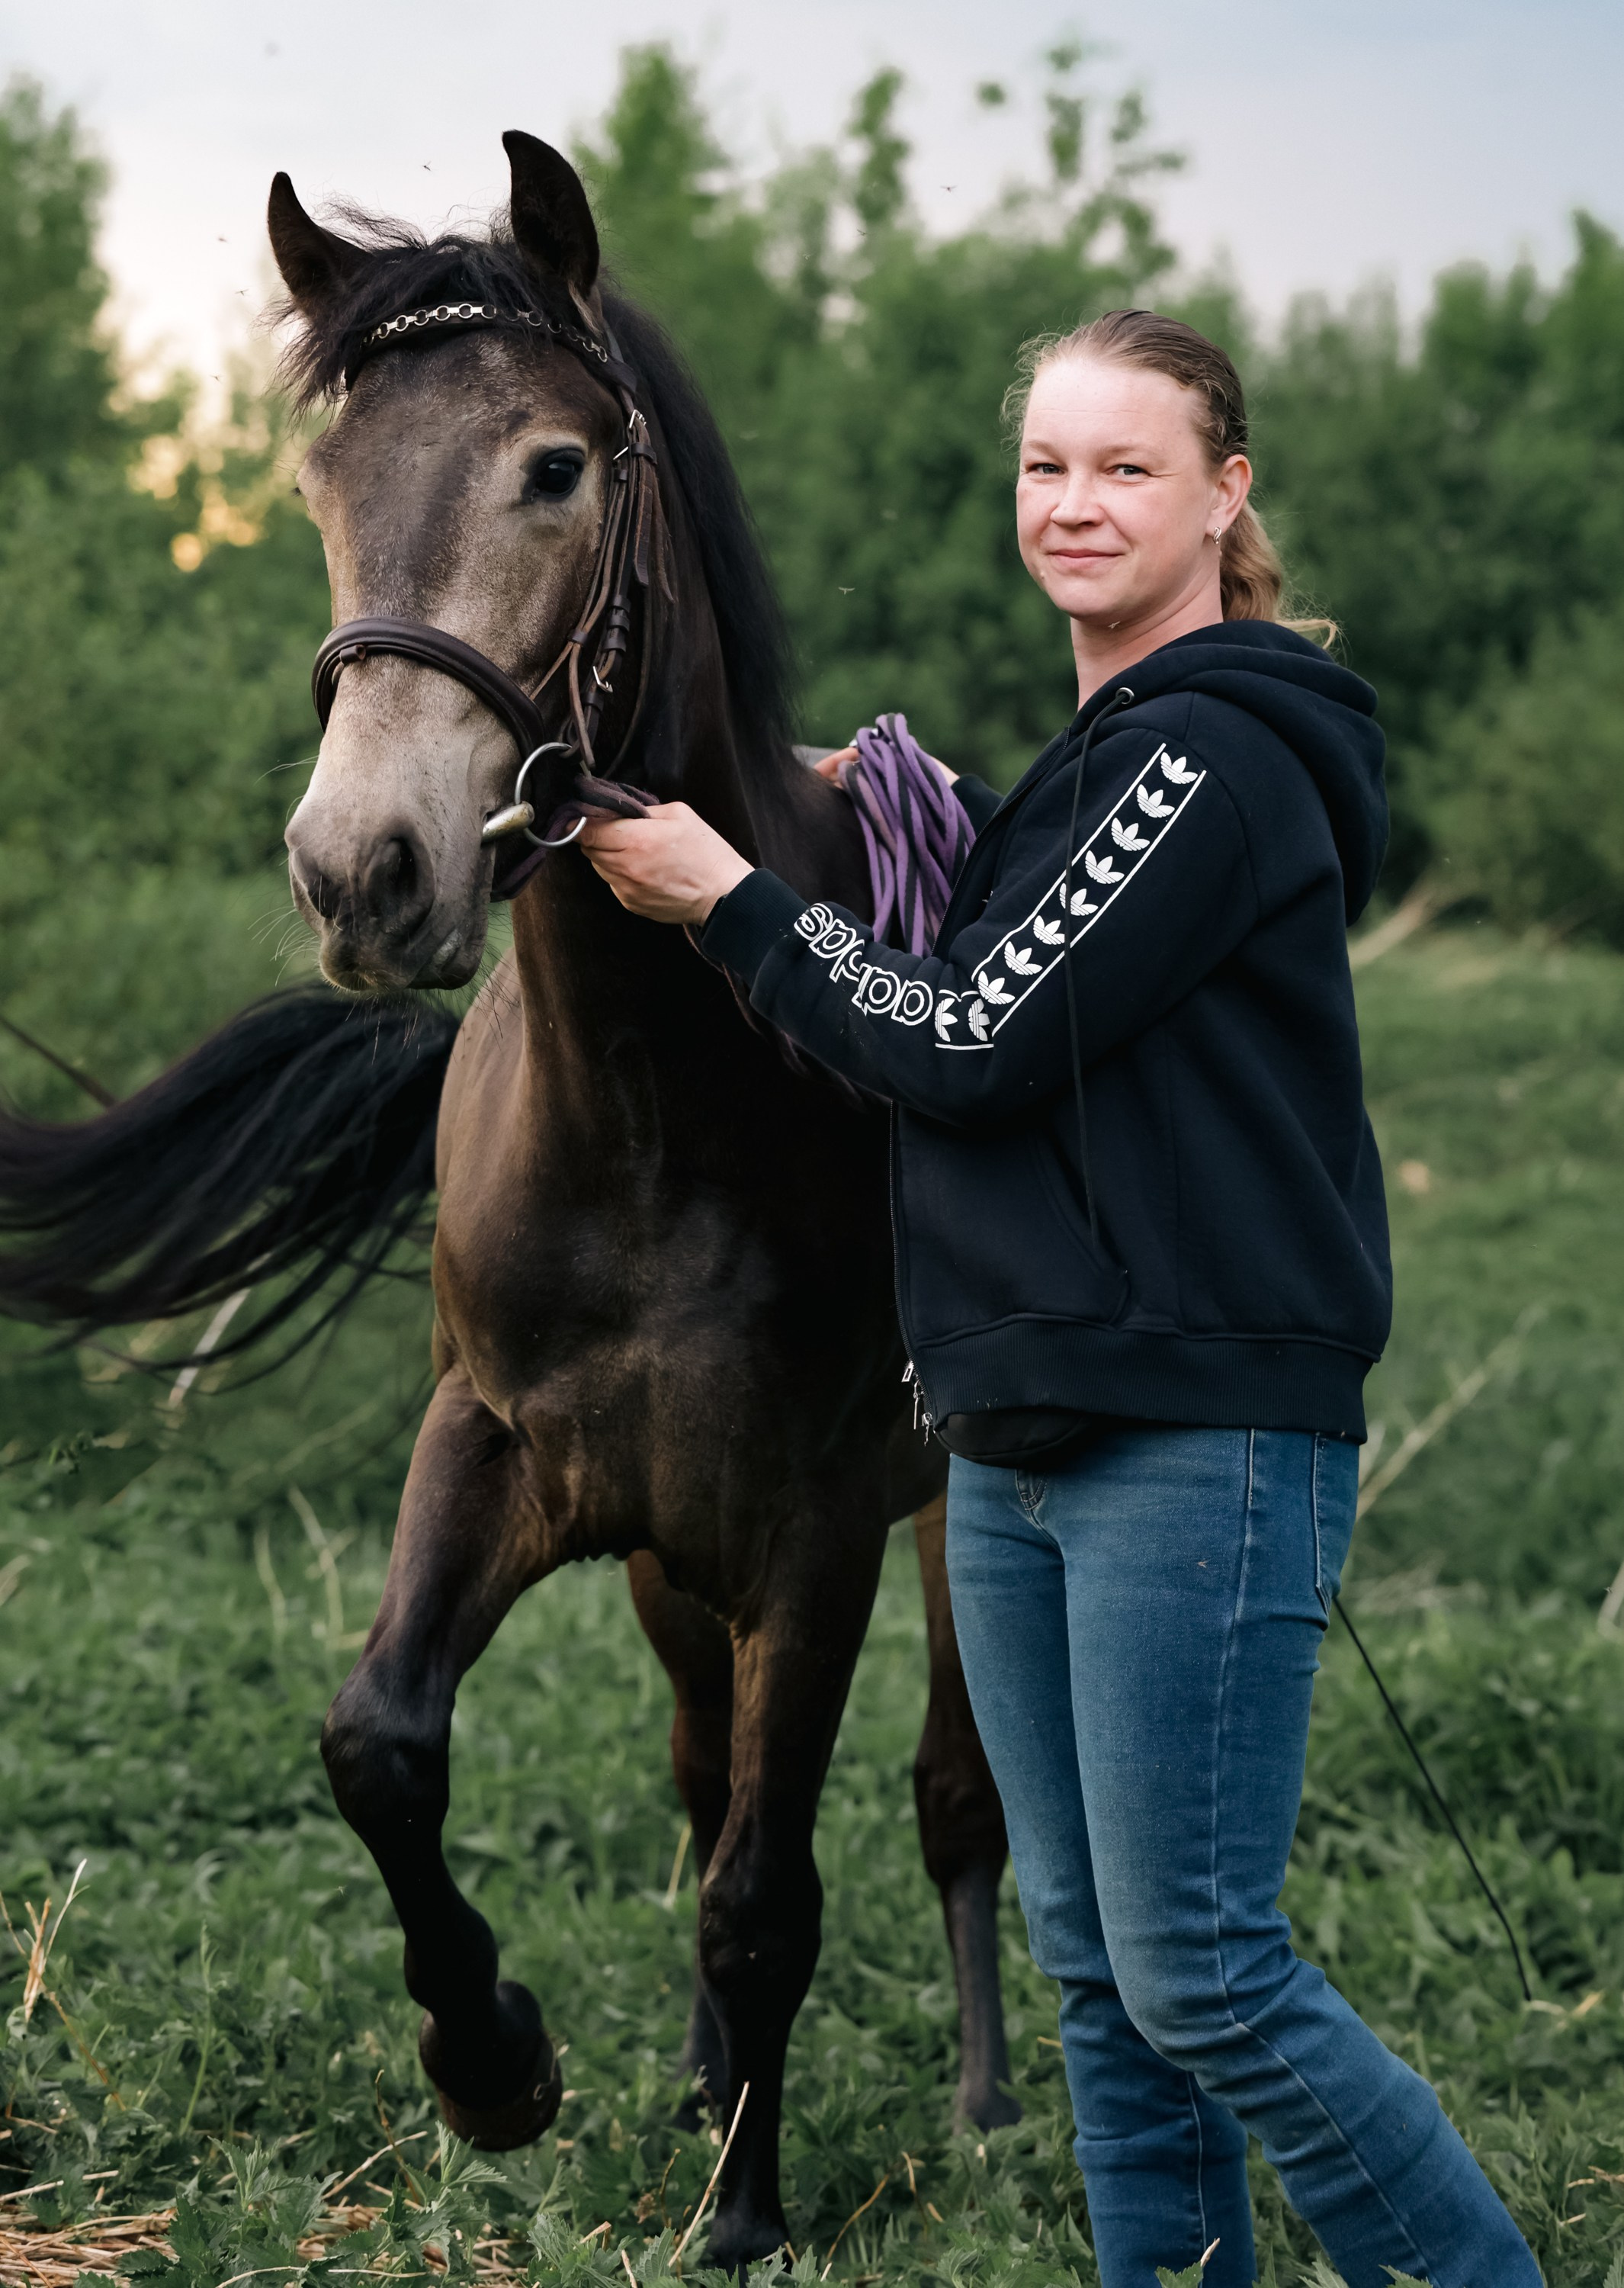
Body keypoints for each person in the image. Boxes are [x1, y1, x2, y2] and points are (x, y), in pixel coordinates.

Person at [579, 310, 1539, 2288]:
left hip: (1187, 1433)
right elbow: (1003, 973)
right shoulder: (1086, 775)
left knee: (1201, 1972)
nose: (1074, 502)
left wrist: (731, 897)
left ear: (1223, 494)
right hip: (1011, 1435)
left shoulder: (1208, 754)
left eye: (1124, 466)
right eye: (1045, 466)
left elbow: (969, 1034)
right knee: (1097, 1976)